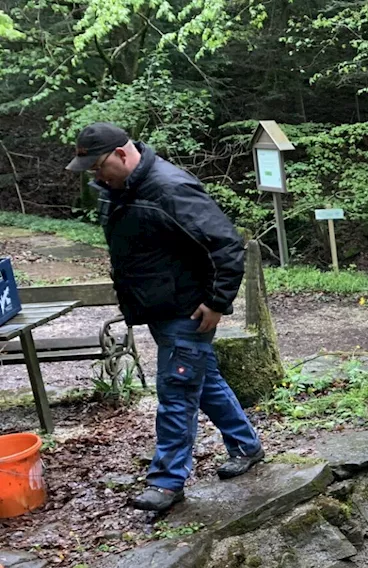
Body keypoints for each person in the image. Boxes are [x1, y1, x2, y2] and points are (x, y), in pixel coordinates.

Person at [66, 122, 265, 512]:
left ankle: (167, 482)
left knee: (176, 393)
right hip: (159, 306)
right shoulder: (118, 190)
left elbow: (226, 245)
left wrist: (217, 302)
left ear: (122, 155)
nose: (95, 175)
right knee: (202, 383)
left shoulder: (170, 188)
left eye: (98, 166)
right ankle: (247, 446)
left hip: (187, 310)